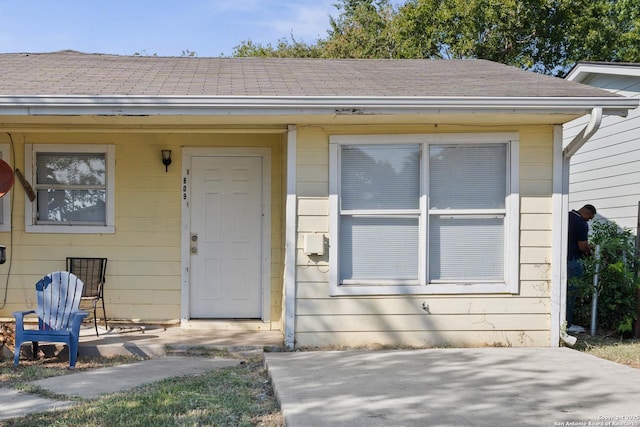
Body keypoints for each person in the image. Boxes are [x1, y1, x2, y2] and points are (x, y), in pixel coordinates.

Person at [566, 204, 596, 333]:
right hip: (573, 260)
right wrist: (590, 249)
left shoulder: (566, 216)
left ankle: (561, 321)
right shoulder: (581, 223)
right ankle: (568, 324)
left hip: (562, 259)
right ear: (586, 212)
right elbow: (582, 247)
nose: (589, 220)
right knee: (571, 293)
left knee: (562, 291)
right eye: (589, 217)